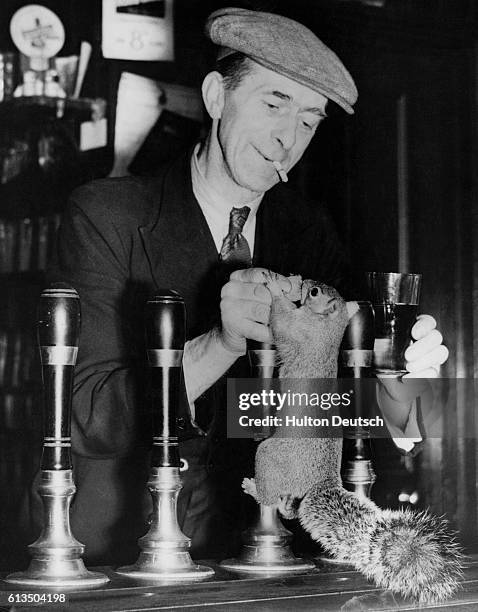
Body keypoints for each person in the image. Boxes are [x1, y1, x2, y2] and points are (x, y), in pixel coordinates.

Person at [28, 7, 448, 564]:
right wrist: (221, 343)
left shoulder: (308, 233)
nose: (286, 139)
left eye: (308, 120)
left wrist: (403, 396)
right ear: (216, 97)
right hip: (120, 547)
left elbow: (331, 411)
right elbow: (90, 418)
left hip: (265, 545)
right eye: (274, 104)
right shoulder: (108, 215)